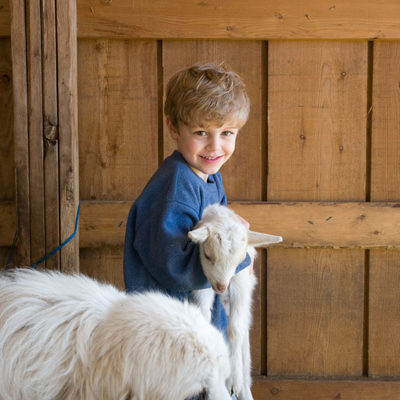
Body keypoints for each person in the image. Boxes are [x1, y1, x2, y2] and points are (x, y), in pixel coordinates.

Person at [123, 63, 252, 397]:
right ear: (173, 127)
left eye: (227, 133)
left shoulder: (210, 179)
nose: (214, 147)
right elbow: (174, 267)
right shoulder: (175, 185)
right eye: (201, 132)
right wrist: (238, 258)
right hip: (170, 333)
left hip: (200, 327)